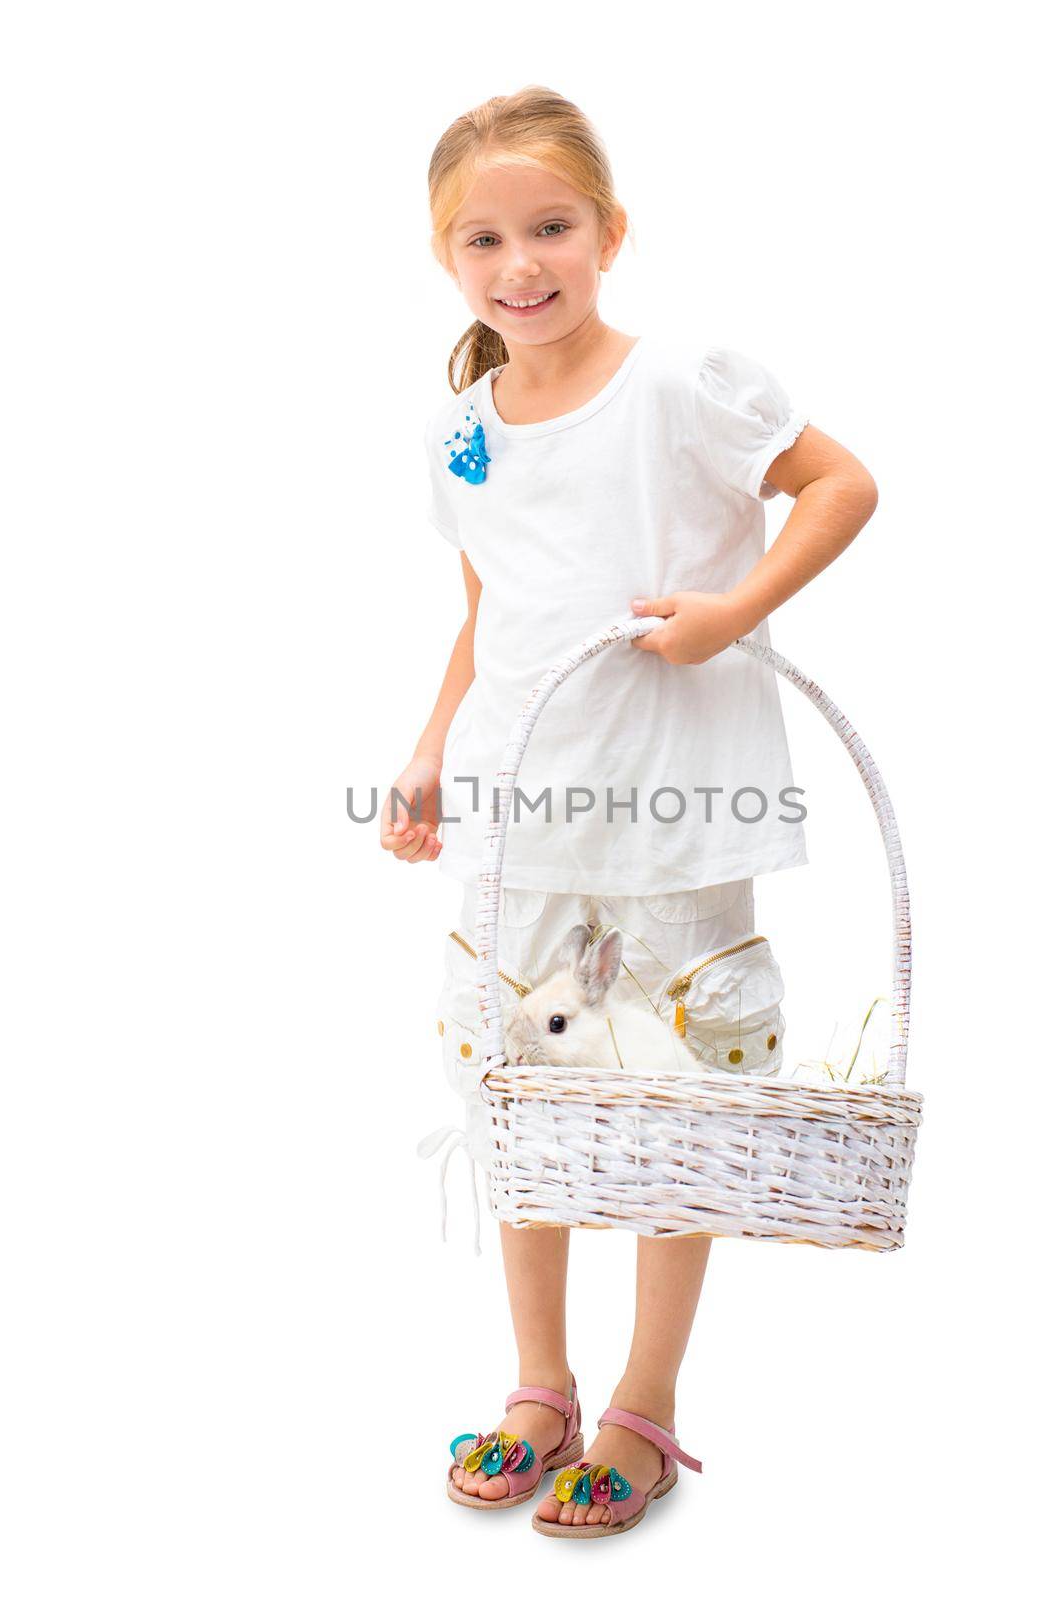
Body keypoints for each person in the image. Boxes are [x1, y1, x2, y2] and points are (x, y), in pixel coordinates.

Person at [382, 85, 878, 1540]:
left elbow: (839, 484)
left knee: (681, 1095)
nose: (518, 263)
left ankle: (642, 1406)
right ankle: (537, 1382)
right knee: (515, 1090)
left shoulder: (680, 385)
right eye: (483, 238)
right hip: (518, 814)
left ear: (607, 232)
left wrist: (734, 610)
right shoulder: (462, 431)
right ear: (445, 256)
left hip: (674, 820)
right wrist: (426, 752)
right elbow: (489, 610)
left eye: (549, 228)